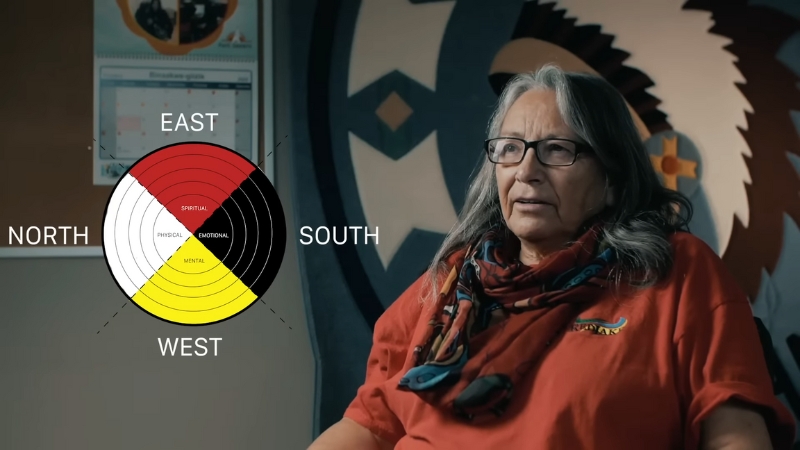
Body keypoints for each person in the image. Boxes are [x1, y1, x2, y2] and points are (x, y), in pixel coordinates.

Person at [307, 65, 797, 449]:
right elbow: (370, 426)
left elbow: (734, 432)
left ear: (612, 178)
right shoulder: (451, 280)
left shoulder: (675, 272)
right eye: (510, 149)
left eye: (558, 150)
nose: (527, 171)